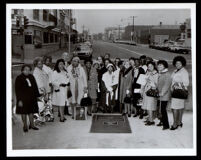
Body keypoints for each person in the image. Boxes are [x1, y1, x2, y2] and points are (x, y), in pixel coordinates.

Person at [15, 64, 40, 132]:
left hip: (32, 98)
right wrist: (19, 100)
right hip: (23, 98)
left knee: (31, 112)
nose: (27, 71)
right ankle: (25, 125)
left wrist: (37, 96)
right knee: (24, 112)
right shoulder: (19, 78)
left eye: (29, 70)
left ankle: (32, 125)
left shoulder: (31, 76)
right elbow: (17, 90)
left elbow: (35, 87)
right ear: (22, 70)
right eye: (26, 70)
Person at [170, 56, 189, 130]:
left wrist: (175, 84)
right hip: (175, 91)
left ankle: (175, 124)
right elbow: (172, 79)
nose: (178, 64)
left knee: (174, 107)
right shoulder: (175, 71)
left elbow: (186, 83)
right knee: (180, 107)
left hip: (179, 92)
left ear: (182, 64)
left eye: (179, 63)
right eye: (176, 63)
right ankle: (179, 122)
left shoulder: (184, 72)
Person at [141, 61, 159, 126]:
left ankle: (151, 121)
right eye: (148, 66)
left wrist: (150, 82)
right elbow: (143, 81)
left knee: (150, 106)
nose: (149, 67)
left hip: (151, 91)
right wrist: (142, 89)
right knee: (147, 105)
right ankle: (149, 118)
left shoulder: (156, 74)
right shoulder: (147, 72)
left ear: (154, 66)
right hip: (146, 90)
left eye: (151, 66)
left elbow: (156, 84)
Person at [157, 60, 171, 130]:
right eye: (158, 65)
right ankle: (162, 121)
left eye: (161, 65)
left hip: (164, 95)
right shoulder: (161, 73)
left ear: (164, 66)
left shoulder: (167, 74)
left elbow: (167, 85)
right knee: (160, 109)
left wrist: (162, 92)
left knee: (163, 110)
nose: (159, 66)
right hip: (160, 94)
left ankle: (166, 125)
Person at [61, 52, 72, 116]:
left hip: (69, 83)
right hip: (62, 83)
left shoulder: (70, 64)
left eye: (67, 56)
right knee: (62, 98)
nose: (66, 57)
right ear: (62, 56)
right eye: (65, 56)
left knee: (68, 97)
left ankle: (67, 111)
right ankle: (61, 112)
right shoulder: (60, 64)